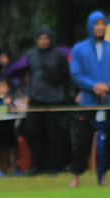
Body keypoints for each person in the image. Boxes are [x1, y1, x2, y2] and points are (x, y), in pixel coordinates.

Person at [70, 10, 110, 187]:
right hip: (88, 100)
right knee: (83, 139)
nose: (100, 27)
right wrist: (94, 87)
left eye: (102, 24)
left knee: (109, 138)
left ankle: (103, 175)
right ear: (90, 26)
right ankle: (76, 175)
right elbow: (76, 73)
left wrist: (108, 86)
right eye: (97, 24)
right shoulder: (79, 49)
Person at [23, 27, 70, 176]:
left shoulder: (59, 56)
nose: (43, 42)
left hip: (54, 100)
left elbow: (66, 78)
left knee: (53, 134)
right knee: (32, 131)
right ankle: (37, 164)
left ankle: (53, 165)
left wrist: (65, 97)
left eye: (46, 38)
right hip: (35, 99)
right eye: (40, 39)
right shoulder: (31, 55)